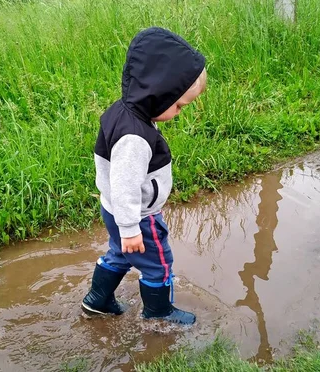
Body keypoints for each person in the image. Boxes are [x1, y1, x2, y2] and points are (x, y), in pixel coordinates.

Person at [82, 27, 207, 325]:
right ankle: (159, 314)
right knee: (158, 264)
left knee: (121, 253)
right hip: (137, 216)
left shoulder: (123, 111)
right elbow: (126, 184)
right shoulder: (134, 138)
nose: (179, 112)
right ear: (158, 91)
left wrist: (123, 228)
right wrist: (131, 228)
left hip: (114, 208)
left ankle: (97, 300)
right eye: (178, 105)